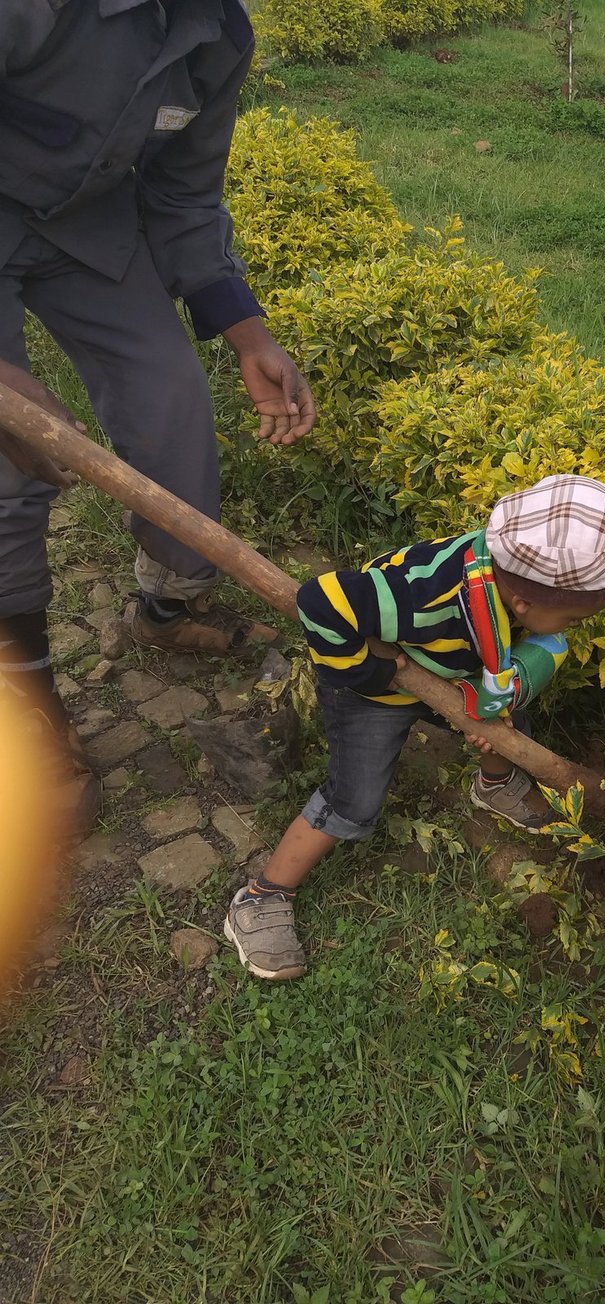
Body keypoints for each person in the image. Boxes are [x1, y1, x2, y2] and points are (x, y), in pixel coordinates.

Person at [0, 0, 316, 838]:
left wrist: (248, 332)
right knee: (7, 465)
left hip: (82, 234)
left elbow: (183, 196)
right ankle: (24, 699)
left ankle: (164, 613)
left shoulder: (218, 36)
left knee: (171, 402)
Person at [224, 474, 605, 980]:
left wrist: (492, 700)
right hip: (372, 687)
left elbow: (537, 651)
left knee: (513, 723)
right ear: (526, 605)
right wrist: (376, 672)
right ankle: (263, 897)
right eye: (575, 619)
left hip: (455, 668)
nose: (576, 627)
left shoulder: (508, 580)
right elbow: (321, 602)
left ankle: (495, 783)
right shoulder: (420, 595)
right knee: (355, 798)